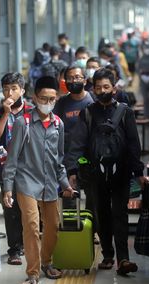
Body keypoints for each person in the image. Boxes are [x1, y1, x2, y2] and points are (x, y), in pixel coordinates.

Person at [65, 68, 146, 276]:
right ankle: (108, 255)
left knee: (120, 213)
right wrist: (73, 169)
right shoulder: (88, 113)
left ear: (114, 87)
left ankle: (123, 259)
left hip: (121, 173)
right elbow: (78, 142)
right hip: (95, 174)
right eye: (98, 87)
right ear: (93, 88)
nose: (102, 91)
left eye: (106, 87)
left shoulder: (125, 112)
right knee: (101, 213)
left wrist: (138, 170)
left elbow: (133, 143)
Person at [2, 76, 74, 284]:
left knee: (52, 226)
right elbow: (12, 159)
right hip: (26, 182)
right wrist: (7, 187)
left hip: (50, 183)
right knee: (32, 226)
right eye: (43, 98)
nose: (47, 102)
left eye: (52, 98)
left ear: (57, 98)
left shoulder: (58, 124)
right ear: (34, 98)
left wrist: (66, 184)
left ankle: (47, 262)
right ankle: (32, 273)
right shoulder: (22, 123)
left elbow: (59, 160)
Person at [0, 72, 32, 266]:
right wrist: (6, 113)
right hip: (5, 168)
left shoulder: (31, 111)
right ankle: (14, 248)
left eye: (14, 88)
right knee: (10, 208)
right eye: (6, 89)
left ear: (22, 90)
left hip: (29, 167)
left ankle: (28, 244)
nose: (9, 92)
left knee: (29, 209)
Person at [53, 64, 94, 210]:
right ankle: (71, 231)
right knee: (69, 201)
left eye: (77, 77)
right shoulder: (62, 104)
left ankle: (93, 231)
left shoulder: (92, 102)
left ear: (85, 80)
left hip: (89, 160)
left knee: (93, 201)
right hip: (66, 159)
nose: (73, 81)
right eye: (69, 78)